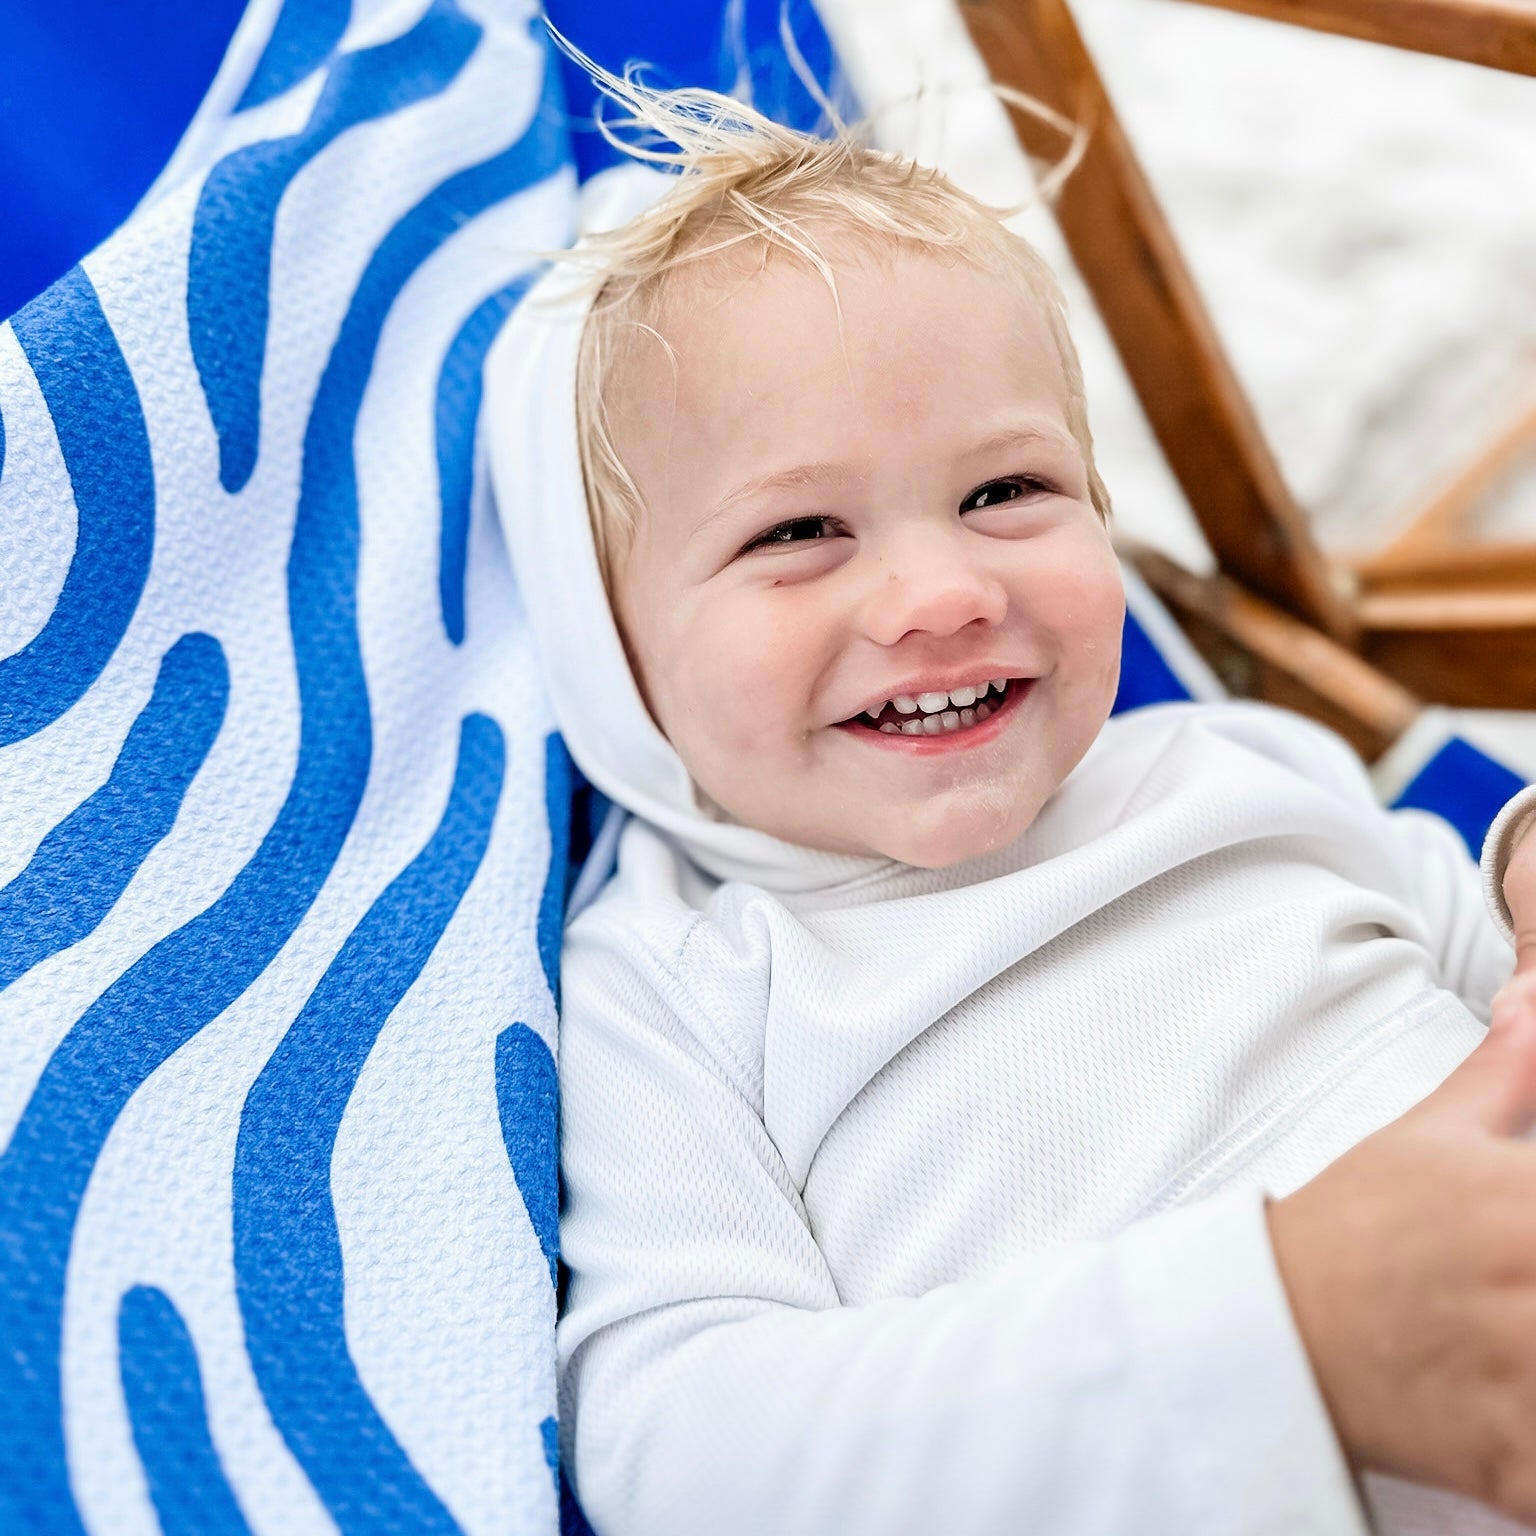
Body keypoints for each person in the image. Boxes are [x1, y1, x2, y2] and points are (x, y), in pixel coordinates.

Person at [488, 74, 1536, 1536]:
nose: (943, 592)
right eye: (802, 532)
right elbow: (677, 1448)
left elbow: (1478, 941)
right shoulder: (677, 987)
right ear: (612, 650)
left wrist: (1519, 868)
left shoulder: (1226, 765)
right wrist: (1282, 1327)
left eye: (1007, 491)